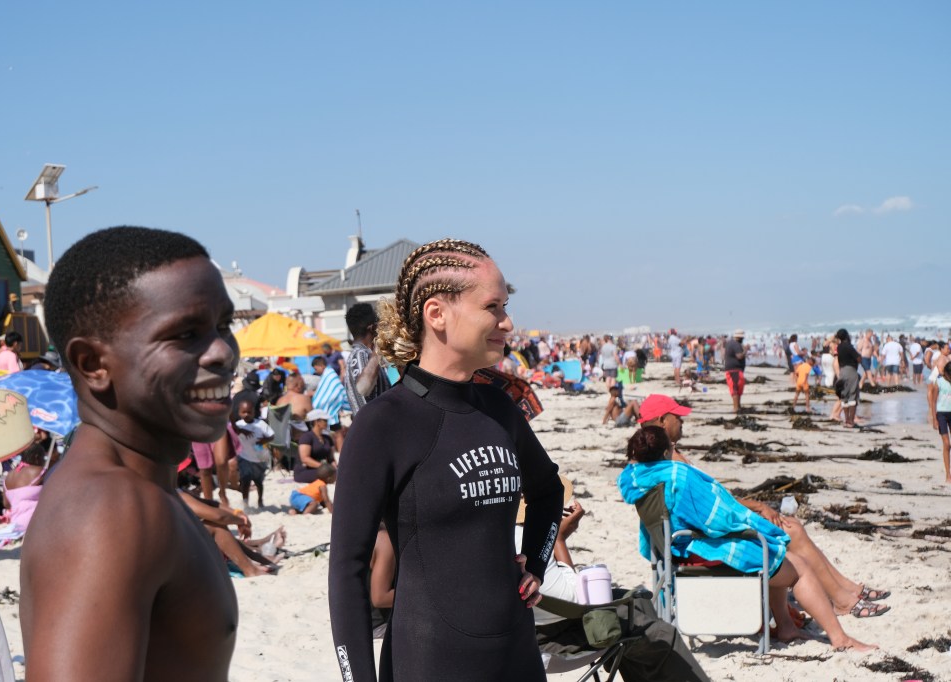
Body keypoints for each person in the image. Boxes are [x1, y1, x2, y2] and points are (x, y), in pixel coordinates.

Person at [329, 238, 564, 681]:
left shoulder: (499, 409)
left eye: (505, 306)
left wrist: (535, 562)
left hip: (516, 653)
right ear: (437, 314)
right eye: (492, 307)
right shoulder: (384, 424)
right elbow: (347, 571)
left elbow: (548, 491)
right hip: (429, 658)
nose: (507, 323)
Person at [20, 226, 239, 680]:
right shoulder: (111, 507)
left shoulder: (141, 490)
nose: (222, 351)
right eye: (185, 334)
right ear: (93, 364)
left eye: (224, 325)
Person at [618, 427, 878, 652]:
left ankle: (786, 627)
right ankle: (840, 638)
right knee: (798, 568)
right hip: (698, 550)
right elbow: (719, 516)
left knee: (780, 557)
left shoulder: (639, 479)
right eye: (671, 446)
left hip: (676, 549)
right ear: (665, 452)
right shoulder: (677, 475)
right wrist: (752, 522)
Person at [516, 477, 710, 682]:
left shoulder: (499, 536)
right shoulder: (524, 540)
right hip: (548, 642)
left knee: (638, 604)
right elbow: (573, 599)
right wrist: (559, 541)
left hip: (523, 632)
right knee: (660, 633)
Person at [342, 302, 391, 417]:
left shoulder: (364, 355)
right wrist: (379, 347)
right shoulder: (360, 354)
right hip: (373, 431)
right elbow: (363, 388)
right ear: (373, 328)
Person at [234, 397, 274, 510]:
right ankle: (245, 501)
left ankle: (260, 499)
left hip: (259, 457)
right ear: (239, 412)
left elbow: (271, 436)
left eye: (249, 412)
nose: (246, 414)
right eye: (243, 412)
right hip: (244, 457)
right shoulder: (238, 425)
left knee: (258, 481)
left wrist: (263, 441)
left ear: (254, 412)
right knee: (245, 480)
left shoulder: (260, 424)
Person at [3, 441, 48, 533]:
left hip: (15, 524)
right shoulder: (40, 472)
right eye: (44, 457)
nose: (44, 460)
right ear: (36, 457)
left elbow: (6, 504)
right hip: (36, 523)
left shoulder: (9, 476)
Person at [310, 355, 349, 452]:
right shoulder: (327, 375)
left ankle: (341, 453)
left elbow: (335, 391)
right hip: (330, 409)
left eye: (316, 368)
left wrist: (322, 401)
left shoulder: (330, 375)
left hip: (332, 410)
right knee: (336, 433)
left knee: (338, 433)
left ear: (322, 366)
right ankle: (338, 452)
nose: (316, 371)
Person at [294, 408, 336, 483]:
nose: (327, 423)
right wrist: (324, 467)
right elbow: (305, 459)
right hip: (306, 471)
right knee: (327, 474)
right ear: (317, 422)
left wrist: (334, 467)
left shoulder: (327, 438)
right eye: (325, 420)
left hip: (322, 468)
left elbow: (331, 459)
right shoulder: (306, 437)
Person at [834, 329, 862, 428]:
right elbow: (859, 358)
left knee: (844, 396)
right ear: (847, 336)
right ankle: (851, 421)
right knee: (853, 396)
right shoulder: (849, 347)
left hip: (842, 371)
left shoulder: (839, 347)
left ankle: (846, 421)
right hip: (851, 371)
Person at [931, 361, 951, 484]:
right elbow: (933, 401)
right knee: (947, 444)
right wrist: (934, 418)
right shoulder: (939, 381)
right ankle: (948, 474)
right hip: (942, 414)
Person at [723, 329, 747, 414]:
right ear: (740, 337)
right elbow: (739, 356)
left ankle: (738, 406)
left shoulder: (731, 343)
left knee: (738, 388)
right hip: (734, 370)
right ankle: (736, 408)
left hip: (735, 369)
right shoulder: (736, 344)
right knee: (735, 389)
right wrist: (745, 350)